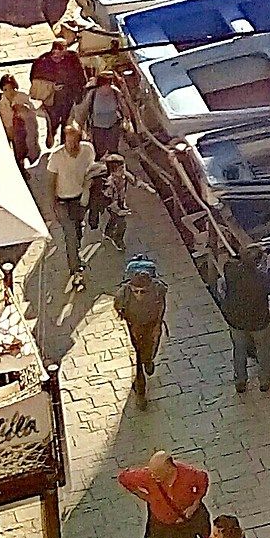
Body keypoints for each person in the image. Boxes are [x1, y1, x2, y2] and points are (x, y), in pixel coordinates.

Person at [218, 241, 270, 395]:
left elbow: (233, 264)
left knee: (239, 350)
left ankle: (240, 381)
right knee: (263, 350)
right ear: (258, 262)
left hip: (236, 319)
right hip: (259, 322)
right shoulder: (263, 279)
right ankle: (264, 381)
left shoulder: (230, 270)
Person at [46, 121, 98, 275]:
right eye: (68, 141)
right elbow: (50, 183)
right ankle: (74, 267)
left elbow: (91, 168)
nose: (72, 145)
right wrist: (52, 206)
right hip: (62, 201)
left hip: (80, 198)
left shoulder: (88, 150)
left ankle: (76, 250)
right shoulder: (56, 156)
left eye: (75, 141)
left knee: (78, 229)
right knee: (70, 234)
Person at [112, 250, 164, 397]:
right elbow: (118, 306)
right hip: (134, 325)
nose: (139, 295)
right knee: (137, 354)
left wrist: (158, 325)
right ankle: (140, 383)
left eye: (143, 292)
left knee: (151, 348)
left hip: (152, 324)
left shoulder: (158, 289)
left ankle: (148, 361)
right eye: (136, 291)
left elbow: (161, 305)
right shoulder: (124, 293)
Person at [0, 73, 40, 170]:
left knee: (32, 149)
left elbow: (33, 112)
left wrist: (24, 109)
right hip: (14, 132)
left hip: (27, 129)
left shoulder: (22, 97)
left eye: (11, 88)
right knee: (18, 154)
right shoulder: (2, 103)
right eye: (5, 90)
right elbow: (5, 119)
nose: (9, 92)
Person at [98, 151, 132, 250]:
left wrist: (145, 186)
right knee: (122, 224)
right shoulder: (109, 184)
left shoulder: (123, 176)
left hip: (121, 201)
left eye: (123, 167)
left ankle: (108, 232)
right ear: (113, 171)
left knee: (113, 220)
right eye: (120, 169)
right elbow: (109, 201)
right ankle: (118, 239)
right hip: (114, 206)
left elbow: (133, 180)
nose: (123, 170)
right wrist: (118, 211)